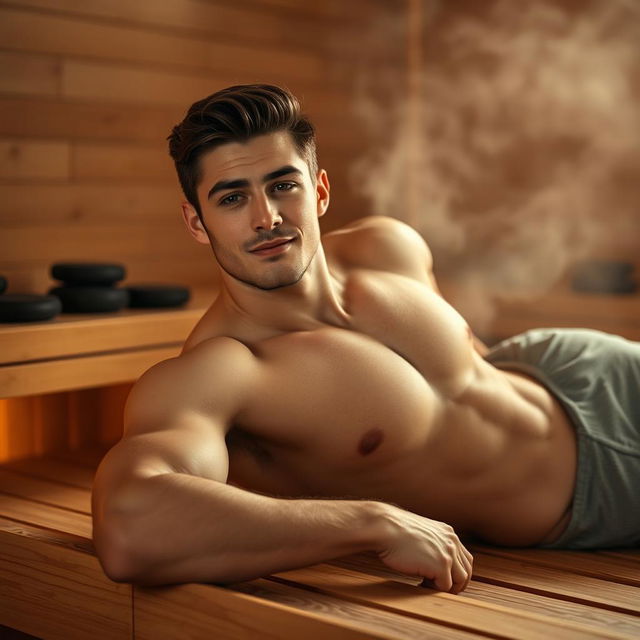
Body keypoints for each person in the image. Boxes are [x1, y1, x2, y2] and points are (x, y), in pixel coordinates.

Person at [92, 84, 640, 595]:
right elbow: (128, 526)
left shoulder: (387, 246)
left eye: (283, 185)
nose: (266, 217)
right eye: (232, 199)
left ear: (321, 190)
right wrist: (369, 521)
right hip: (592, 491)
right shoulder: (223, 372)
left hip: (575, 367)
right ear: (195, 221)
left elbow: (464, 379)